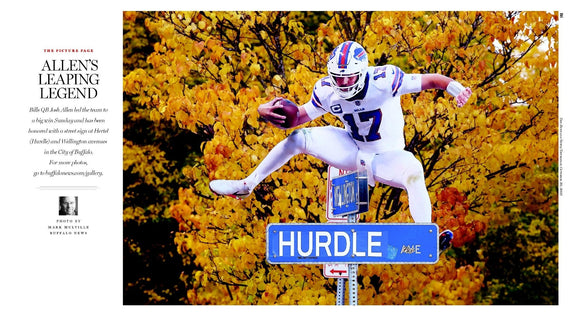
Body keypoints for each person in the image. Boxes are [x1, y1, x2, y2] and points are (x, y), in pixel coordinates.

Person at [210, 41, 471, 250]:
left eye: (348, 78)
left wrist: (456, 89)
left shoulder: (384, 79)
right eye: (338, 77)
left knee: (414, 171)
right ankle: (247, 185)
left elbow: (432, 80)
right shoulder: (326, 90)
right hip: (352, 148)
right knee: (298, 139)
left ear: (363, 71)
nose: (343, 83)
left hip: (387, 155)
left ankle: (424, 234)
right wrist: (262, 110)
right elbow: (299, 117)